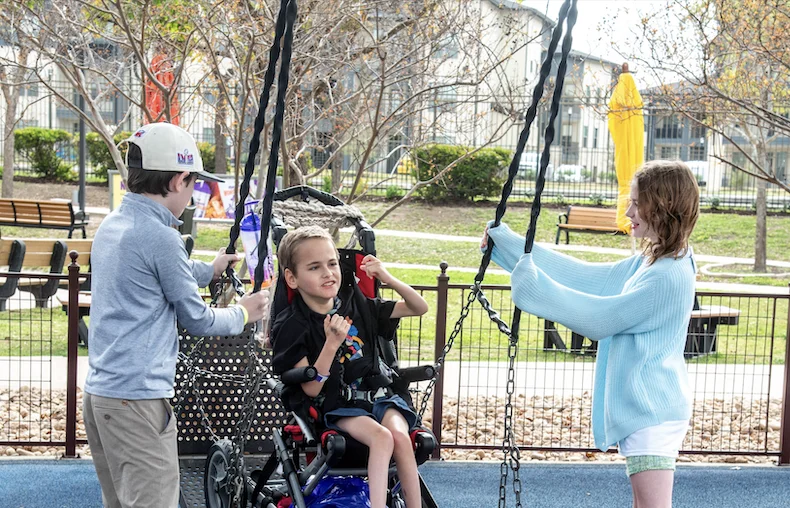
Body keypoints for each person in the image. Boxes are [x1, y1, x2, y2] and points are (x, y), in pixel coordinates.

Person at [482, 160, 699, 508]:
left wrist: (534, 291)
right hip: (648, 407)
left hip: (653, 412)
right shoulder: (659, 260)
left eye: (635, 202)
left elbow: (599, 319)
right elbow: (588, 279)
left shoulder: (667, 276)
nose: (628, 211)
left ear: (661, 206)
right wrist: (510, 248)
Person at [82, 122, 270, 508]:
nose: (192, 195)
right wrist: (243, 312)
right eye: (193, 185)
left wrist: (210, 268)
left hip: (102, 395)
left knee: (119, 501)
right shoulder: (161, 237)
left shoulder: (114, 226)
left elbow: (158, 275)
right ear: (180, 178)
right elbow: (199, 319)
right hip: (138, 400)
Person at [270, 226, 429, 508]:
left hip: (380, 396)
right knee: (382, 438)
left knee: (401, 438)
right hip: (337, 404)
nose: (328, 273)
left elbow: (420, 307)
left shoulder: (359, 306)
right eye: (315, 267)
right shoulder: (293, 325)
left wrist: (386, 277)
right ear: (292, 278)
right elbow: (311, 386)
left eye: (332, 263)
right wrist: (331, 344)